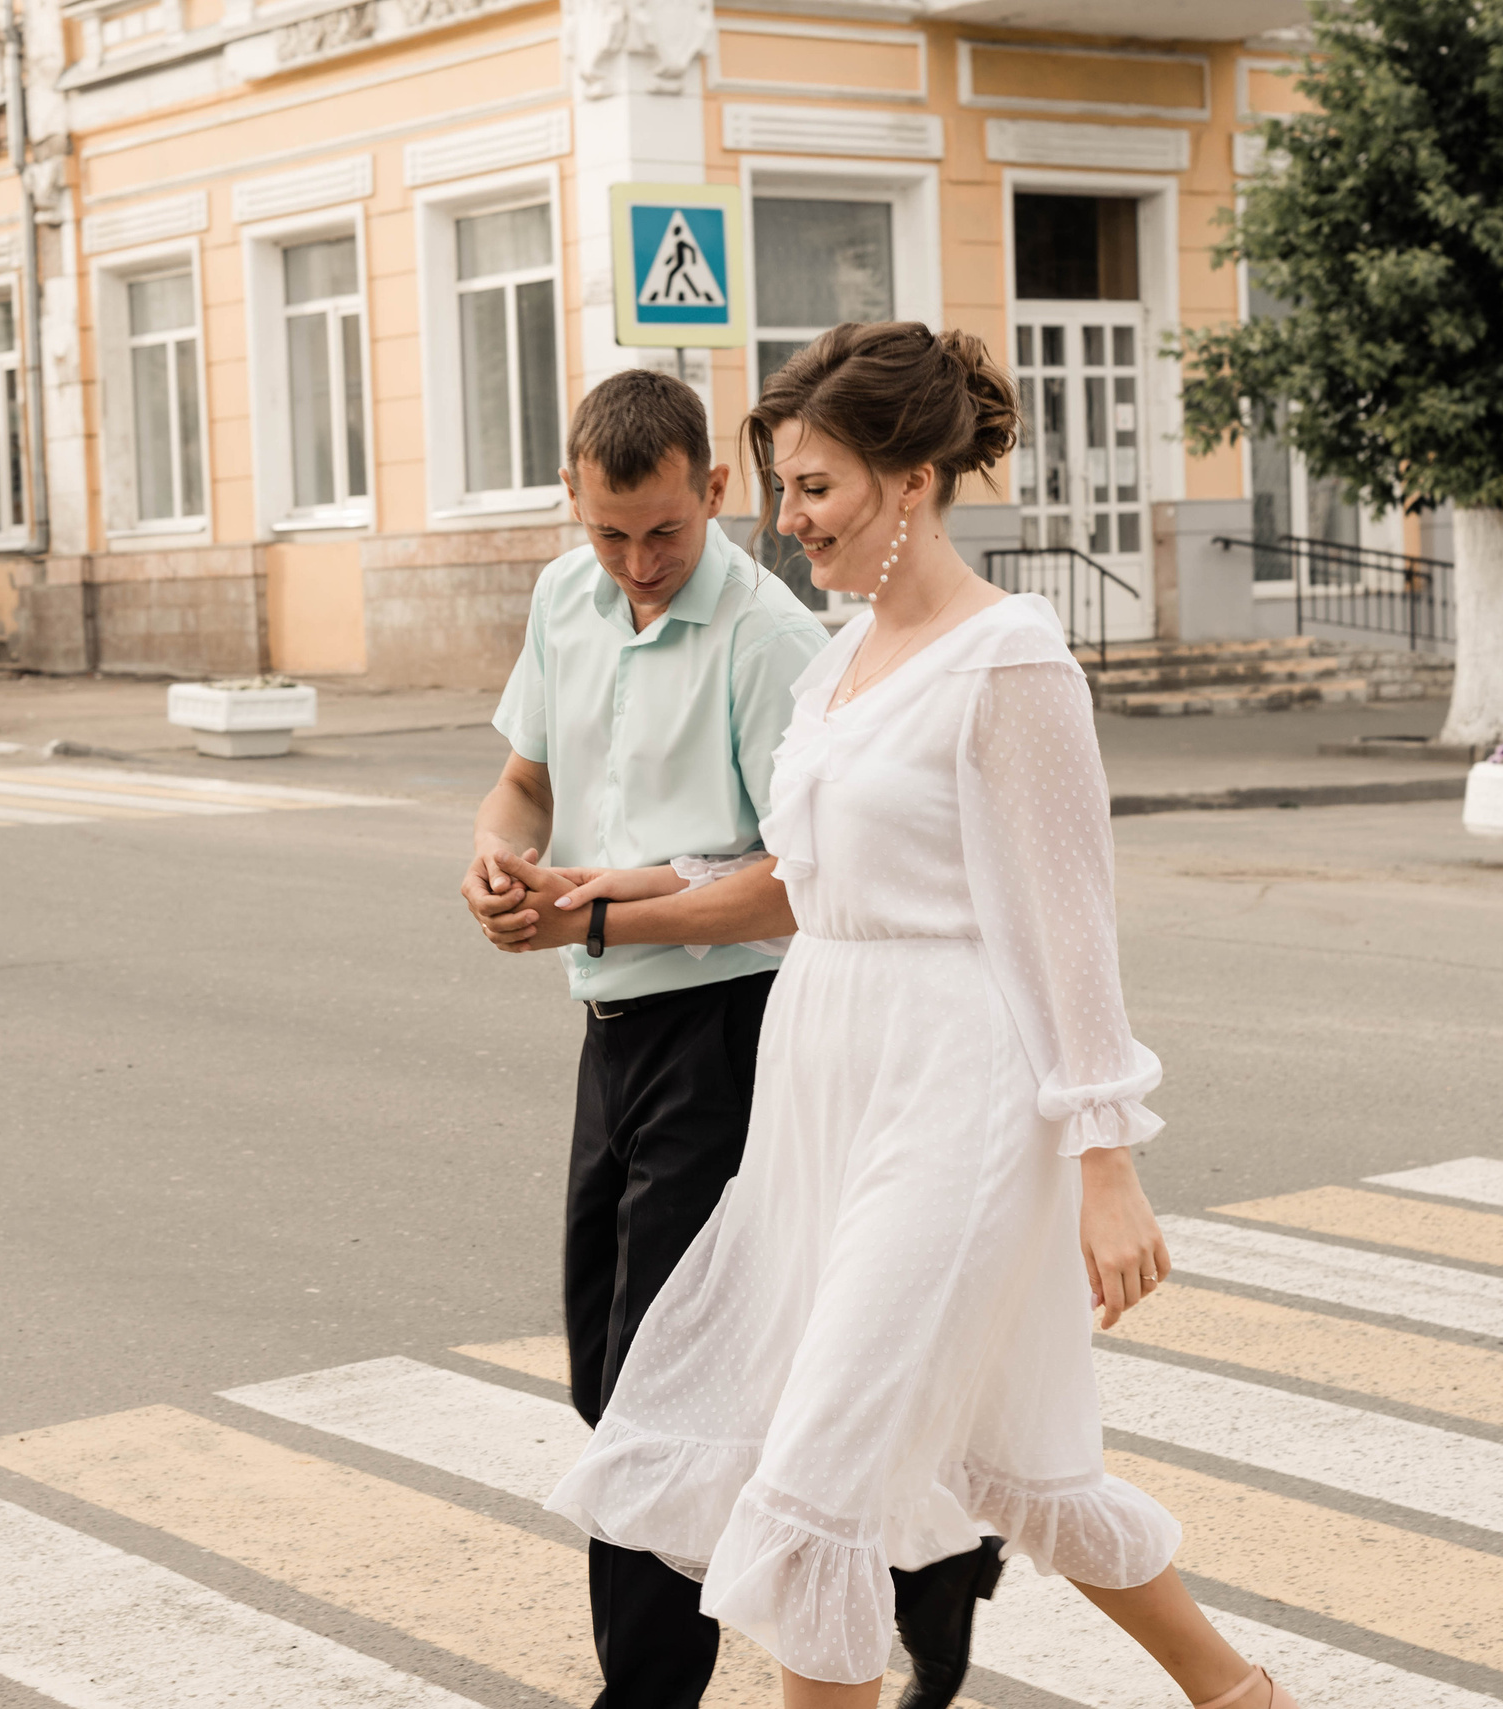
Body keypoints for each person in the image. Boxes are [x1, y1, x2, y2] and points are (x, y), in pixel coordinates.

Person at [540, 325, 1304, 1709]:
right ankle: (1241, 1696)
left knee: (810, 1486)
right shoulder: (837, 665)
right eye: (784, 486)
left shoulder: (1007, 659)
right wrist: (619, 891)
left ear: (914, 480)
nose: (789, 519)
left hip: (957, 1085)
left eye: (817, 487)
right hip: (828, 1078)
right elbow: (796, 875)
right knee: (1008, 1460)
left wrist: (1107, 1161)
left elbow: (1071, 921)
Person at [463, 369, 1003, 1709]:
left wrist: (599, 917)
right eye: (608, 533)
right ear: (573, 505)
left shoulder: (768, 638)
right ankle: (933, 1563)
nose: (638, 563)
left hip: (736, 1024)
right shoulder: (561, 599)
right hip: (614, 1028)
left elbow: (794, 873)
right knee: (611, 1363)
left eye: (663, 530)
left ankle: (648, 1687)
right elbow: (525, 779)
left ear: (713, 489)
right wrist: (496, 856)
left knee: (665, 1380)